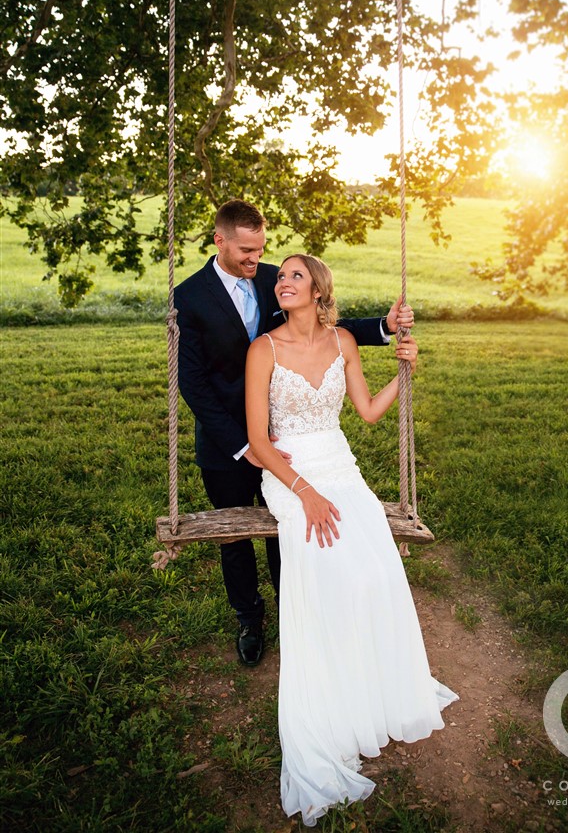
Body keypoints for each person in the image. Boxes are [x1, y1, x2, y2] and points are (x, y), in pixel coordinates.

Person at [245, 253, 459, 826]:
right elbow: (258, 442)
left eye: (294, 274)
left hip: (343, 469)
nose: (282, 281)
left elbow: (364, 413)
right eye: (281, 276)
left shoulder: (343, 342)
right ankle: (331, 710)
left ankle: (373, 691)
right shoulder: (262, 350)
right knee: (327, 575)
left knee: (376, 573)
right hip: (290, 477)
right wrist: (306, 492)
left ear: (318, 291)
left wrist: (404, 374)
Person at [174, 199, 415, 667]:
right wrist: (248, 446)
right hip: (229, 444)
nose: (256, 259)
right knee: (235, 540)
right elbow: (194, 384)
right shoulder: (189, 297)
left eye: (261, 248)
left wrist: (385, 329)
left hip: (293, 438)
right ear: (219, 240)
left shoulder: (273, 280)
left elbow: (321, 329)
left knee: (287, 536)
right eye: (246, 250)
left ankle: (296, 612)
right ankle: (249, 618)